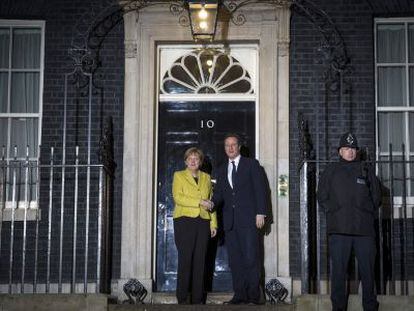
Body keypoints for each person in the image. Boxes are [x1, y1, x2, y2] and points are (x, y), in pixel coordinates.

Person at [317, 132, 381, 311]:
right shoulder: (331, 170)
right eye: (346, 149)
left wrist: (365, 210)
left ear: (357, 151)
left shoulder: (366, 169)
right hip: (339, 230)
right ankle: (338, 308)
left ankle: (370, 307)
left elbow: (376, 197)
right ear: (340, 151)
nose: (350, 152)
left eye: (353, 148)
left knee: (368, 273)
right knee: (338, 273)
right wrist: (334, 210)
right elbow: (321, 195)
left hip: (364, 231)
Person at [211, 133, 267, 305]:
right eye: (227, 145)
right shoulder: (221, 169)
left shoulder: (252, 165)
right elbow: (220, 194)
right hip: (230, 223)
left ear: (239, 146)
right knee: (235, 261)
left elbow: (261, 190)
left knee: (251, 258)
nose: (230, 148)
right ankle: (240, 295)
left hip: (249, 220)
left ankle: (254, 297)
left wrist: (261, 212)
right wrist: (211, 202)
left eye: (233, 144)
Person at [172, 147, 217, 304]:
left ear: (200, 161)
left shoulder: (206, 177)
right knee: (185, 259)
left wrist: (213, 224)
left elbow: (211, 202)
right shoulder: (178, 176)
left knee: (200, 260)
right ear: (185, 161)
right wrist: (199, 201)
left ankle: (198, 299)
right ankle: (183, 298)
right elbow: (178, 198)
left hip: (203, 221)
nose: (193, 161)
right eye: (190, 158)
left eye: (196, 159)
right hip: (184, 220)